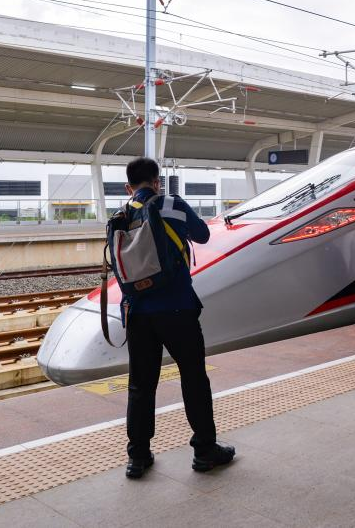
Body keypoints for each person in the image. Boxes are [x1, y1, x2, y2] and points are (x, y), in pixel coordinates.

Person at [121, 158, 234, 480]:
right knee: (193, 377)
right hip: (177, 307)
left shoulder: (122, 213)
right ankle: (204, 451)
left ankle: (138, 457)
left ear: (129, 187)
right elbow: (202, 236)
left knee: (141, 385)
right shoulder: (172, 203)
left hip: (138, 312)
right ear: (157, 182)